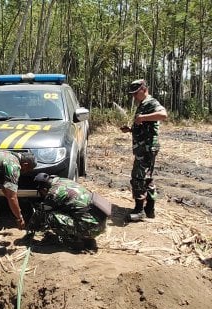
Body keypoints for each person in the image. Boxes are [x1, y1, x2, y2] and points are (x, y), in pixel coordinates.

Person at [120, 79, 168, 222]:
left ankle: (139, 210)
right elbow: (144, 126)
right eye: (132, 94)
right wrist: (130, 129)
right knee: (147, 178)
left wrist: (143, 117)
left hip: (147, 148)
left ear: (143, 89)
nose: (134, 97)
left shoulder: (151, 102)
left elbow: (163, 114)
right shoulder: (143, 103)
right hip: (143, 147)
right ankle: (150, 208)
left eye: (136, 93)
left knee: (138, 177)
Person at [27, 173, 109, 250]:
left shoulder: (54, 193)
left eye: (41, 193)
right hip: (99, 223)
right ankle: (83, 235)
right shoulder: (63, 181)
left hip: (92, 228)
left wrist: (31, 227)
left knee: (50, 216)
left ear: (44, 189)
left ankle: (75, 241)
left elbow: (40, 213)